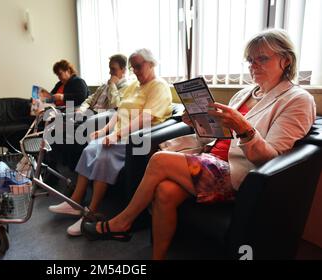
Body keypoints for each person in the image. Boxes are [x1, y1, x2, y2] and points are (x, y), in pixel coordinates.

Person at [81, 29, 316, 259]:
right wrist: (197, 123)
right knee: (164, 192)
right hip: (211, 158)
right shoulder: (245, 93)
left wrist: (243, 128)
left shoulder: (297, 100)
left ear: (286, 60)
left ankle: (122, 222)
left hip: (241, 173)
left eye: (262, 58)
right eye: (250, 60)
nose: (253, 65)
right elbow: (218, 137)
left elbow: (272, 159)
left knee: (159, 160)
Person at [48, 49, 174, 236]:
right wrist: (105, 131)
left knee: (104, 155)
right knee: (90, 149)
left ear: (152, 63)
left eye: (139, 66)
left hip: (137, 138)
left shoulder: (159, 86)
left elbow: (146, 118)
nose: (136, 71)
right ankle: (75, 202)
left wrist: (117, 135)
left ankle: (90, 213)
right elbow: (119, 111)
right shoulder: (134, 86)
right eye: (133, 67)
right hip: (119, 135)